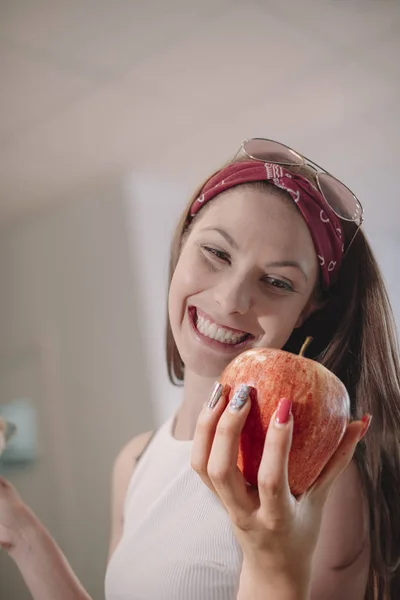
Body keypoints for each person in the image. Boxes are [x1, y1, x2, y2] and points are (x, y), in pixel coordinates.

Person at [0, 138, 399, 600]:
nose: (231, 300)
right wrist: (24, 537)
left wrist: (273, 562)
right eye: (217, 253)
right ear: (183, 241)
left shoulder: (312, 475)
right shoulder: (133, 462)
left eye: (276, 282)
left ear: (306, 310)